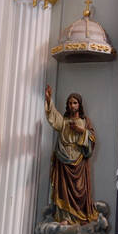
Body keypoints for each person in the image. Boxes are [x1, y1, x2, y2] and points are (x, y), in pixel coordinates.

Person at [44, 85, 98, 223]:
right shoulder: (64, 121)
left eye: (75, 102)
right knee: (63, 189)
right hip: (63, 158)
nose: (72, 105)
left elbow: (92, 138)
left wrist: (81, 130)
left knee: (79, 189)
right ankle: (65, 217)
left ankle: (78, 216)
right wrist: (49, 100)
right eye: (70, 103)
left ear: (79, 105)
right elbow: (53, 117)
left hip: (78, 161)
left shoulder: (85, 122)